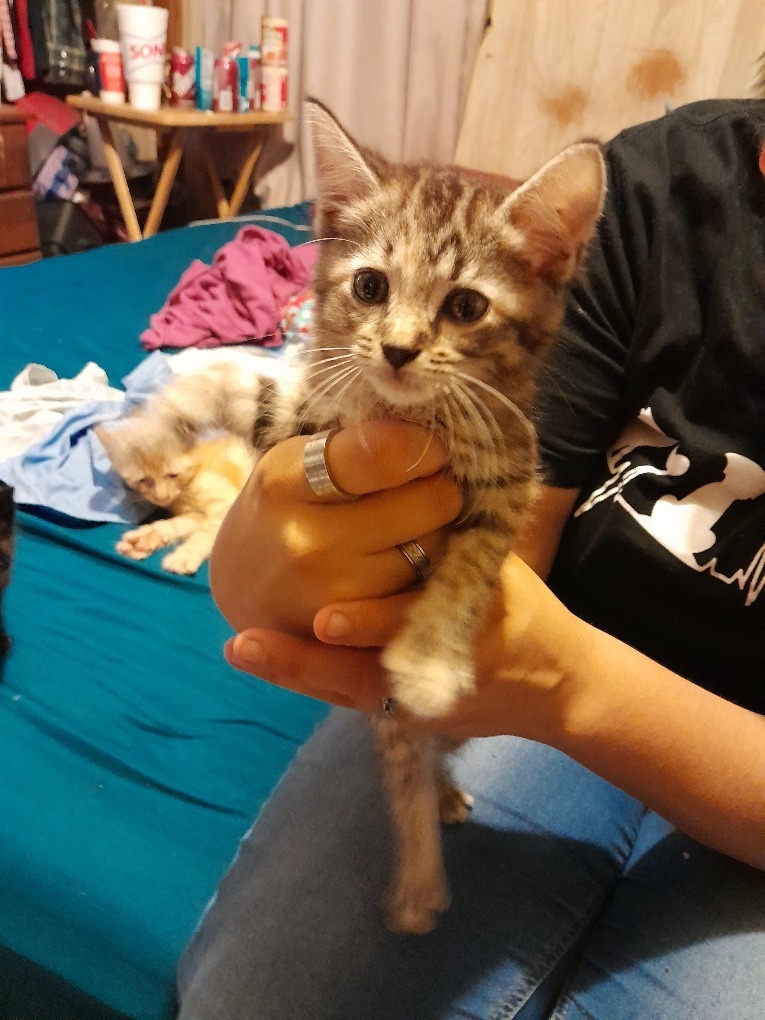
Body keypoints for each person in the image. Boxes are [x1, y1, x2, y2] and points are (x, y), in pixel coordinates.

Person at [177, 98, 765, 1020]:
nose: (405, 337)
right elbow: (488, 538)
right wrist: (273, 570)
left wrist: (565, 681)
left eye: (453, 307)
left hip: (659, 725)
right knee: (259, 999)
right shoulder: (659, 186)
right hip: (528, 666)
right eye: (374, 290)